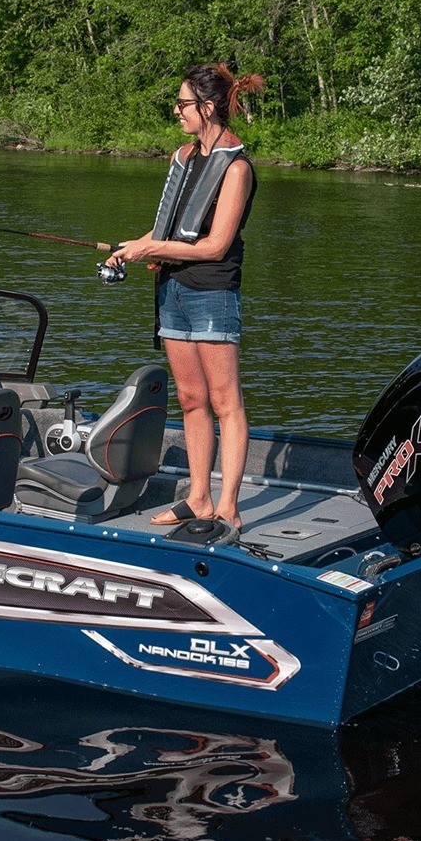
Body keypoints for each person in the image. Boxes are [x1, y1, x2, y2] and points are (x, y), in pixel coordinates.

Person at [107, 63, 264, 532]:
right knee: (192, 398)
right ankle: (198, 498)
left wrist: (151, 248)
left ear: (208, 107)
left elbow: (215, 245)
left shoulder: (236, 168)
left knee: (225, 401)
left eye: (182, 104)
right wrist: (130, 250)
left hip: (212, 292)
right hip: (172, 290)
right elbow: (167, 230)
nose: (176, 111)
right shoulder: (184, 156)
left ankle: (229, 506)